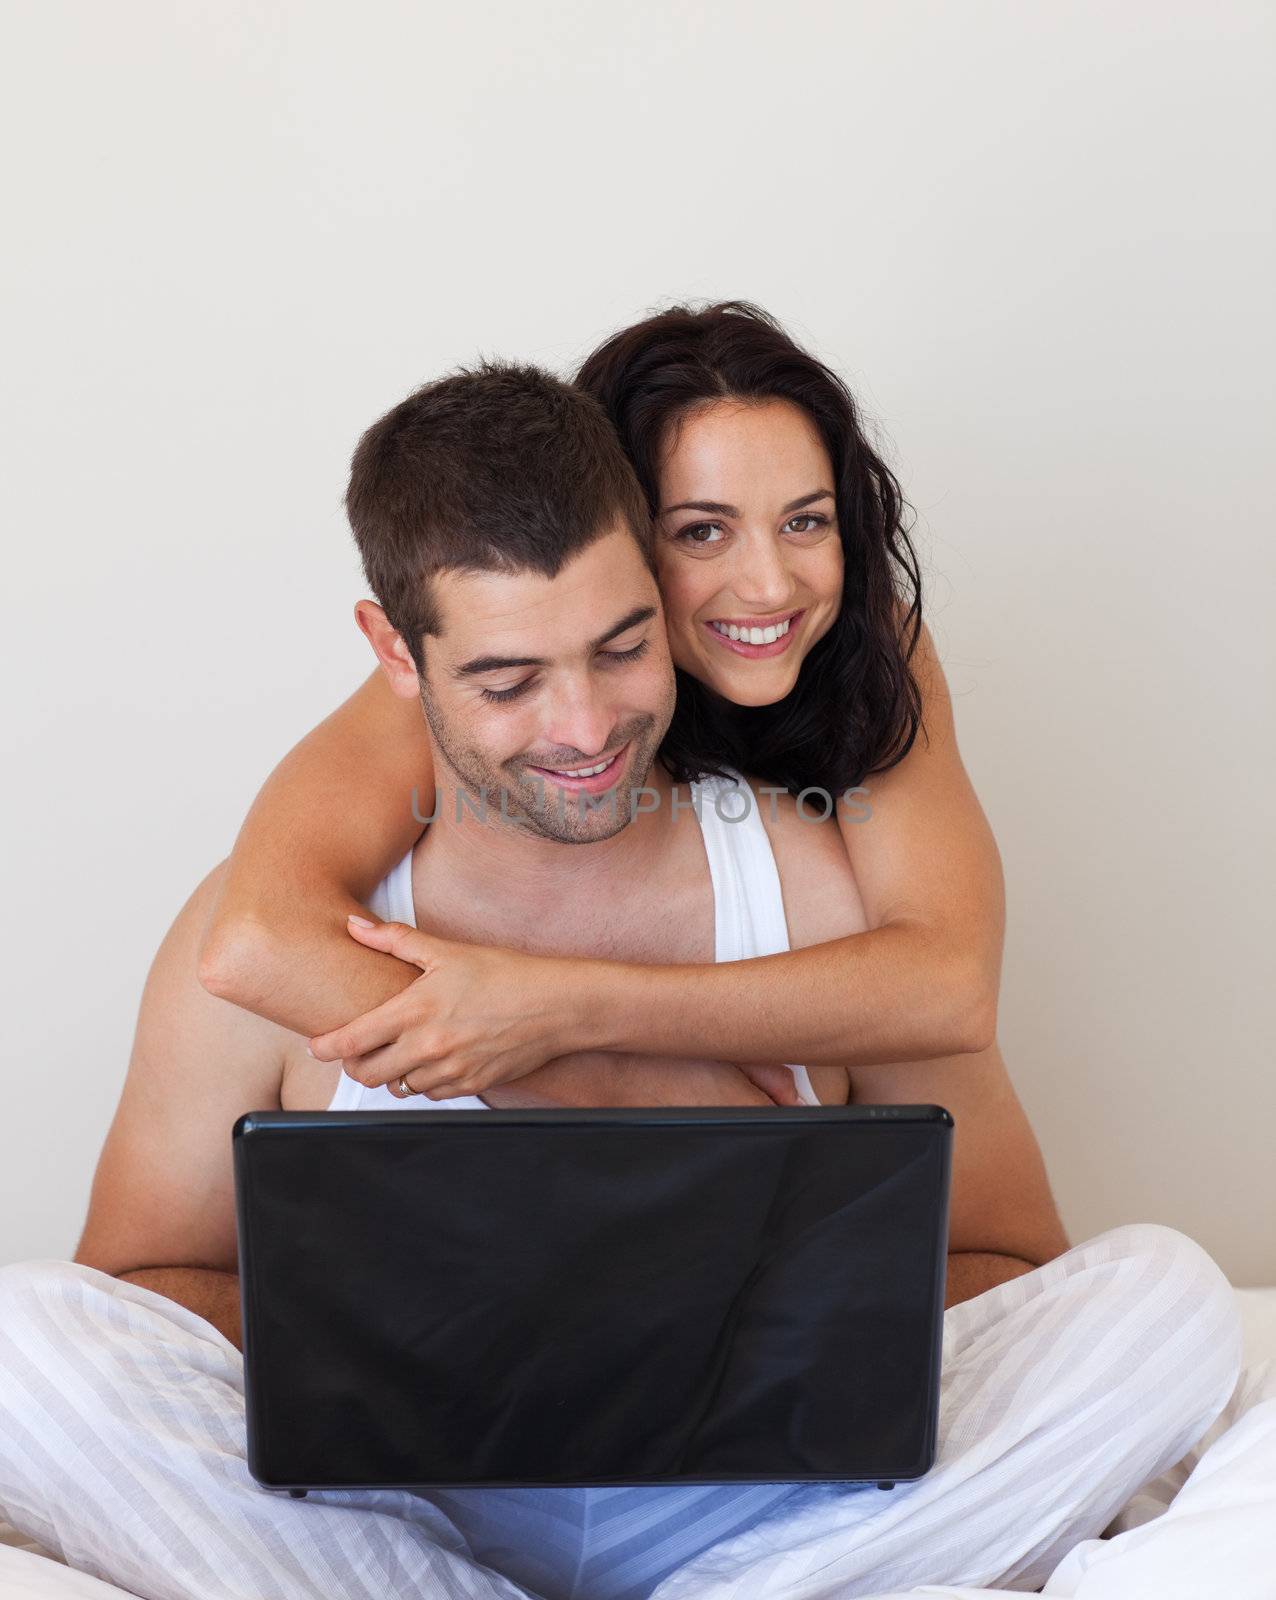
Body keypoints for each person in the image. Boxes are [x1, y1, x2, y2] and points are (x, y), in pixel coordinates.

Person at [0, 362, 1242, 1600]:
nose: (583, 725)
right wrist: (406, 1333)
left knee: (1168, 1305)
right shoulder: (280, 926)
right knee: (26, 1342)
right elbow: (136, 1300)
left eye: (621, 646)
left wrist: (790, 1310)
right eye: (506, 679)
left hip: (759, 1514)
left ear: (659, 592)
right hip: (406, 1512)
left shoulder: (823, 893)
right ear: (395, 651)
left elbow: (1015, 1264)